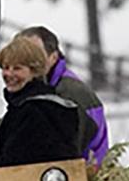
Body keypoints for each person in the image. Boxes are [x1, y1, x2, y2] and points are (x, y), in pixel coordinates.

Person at [0, 37, 86, 168]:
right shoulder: (51, 104)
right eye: (5, 67)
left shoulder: (34, 111)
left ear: (35, 71)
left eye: (17, 68)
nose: (9, 74)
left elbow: (13, 162)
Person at [18, 25, 109, 165]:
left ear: (53, 57)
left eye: (35, 54)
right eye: (21, 54)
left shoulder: (70, 94)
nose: (28, 61)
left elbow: (64, 151)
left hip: (81, 177)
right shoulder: (37, 88)